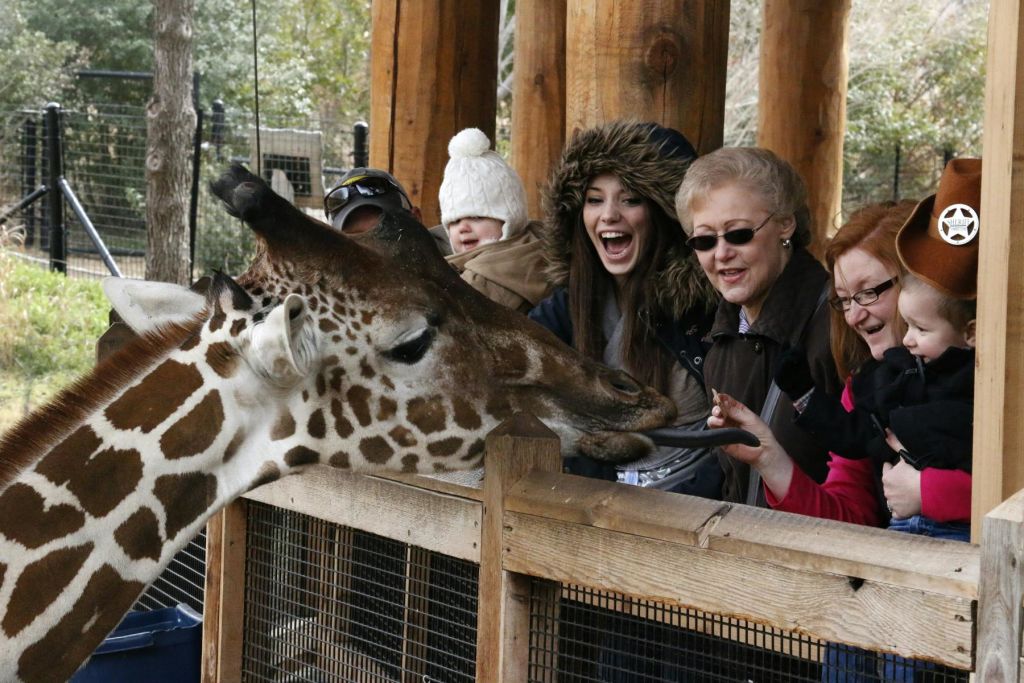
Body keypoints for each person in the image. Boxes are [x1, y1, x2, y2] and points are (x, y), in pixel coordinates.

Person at [528, 119, 720, 496]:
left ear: (666, 211)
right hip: (596, 504)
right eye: (594, 200)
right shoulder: (568, 306)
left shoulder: (709, 307)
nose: (609, 215)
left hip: (701, 504)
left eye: (630, 199)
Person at [674, 147, 842, 505]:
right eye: (704, 240)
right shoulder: (721, 345)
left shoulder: (841, 325)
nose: (721, 253)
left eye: (738, 234)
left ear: (785, 224)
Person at [437, 128, 551, 313]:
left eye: (476, 217)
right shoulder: (535, 244)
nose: (463, 228)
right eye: (455, 221)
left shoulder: (489, 276)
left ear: (508, 220)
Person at [323, 167, 452, 255]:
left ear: (416, 219)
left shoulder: (459, 251)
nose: (372, 248)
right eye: (356, 239)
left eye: (383, 231)